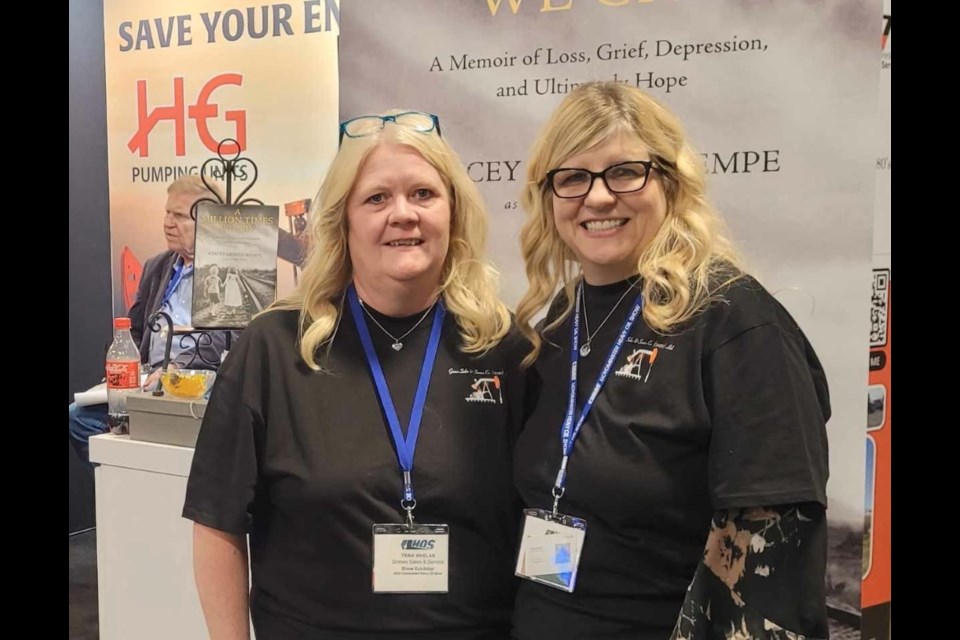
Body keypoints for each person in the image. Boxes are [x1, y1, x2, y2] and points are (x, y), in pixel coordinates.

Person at [182, 110, 529, 639]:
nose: (403, 214)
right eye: (376, 199)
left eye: (423, 194)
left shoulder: (503, 348)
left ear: (454, 212)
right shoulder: (274, 349)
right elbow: (218, 521)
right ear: (343, 221)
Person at [511, 82, 830, 639]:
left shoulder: (735, 321)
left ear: (670, 181)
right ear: (549, 197)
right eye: (573, 178)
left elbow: (771, 573)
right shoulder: (564, 320)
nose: (599, 197)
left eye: (624, 171)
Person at [68, 175, 230, 462]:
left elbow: (229, 341)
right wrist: (126, 367)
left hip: (200, 382)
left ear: (208, 222)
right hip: (148, 381)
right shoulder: (157, 266)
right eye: (167, 212)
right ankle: (120, 483)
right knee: (78, 417)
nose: (168, 222)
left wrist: (177, 370)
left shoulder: (227, 269)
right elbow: (136, 329)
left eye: (179, 215)